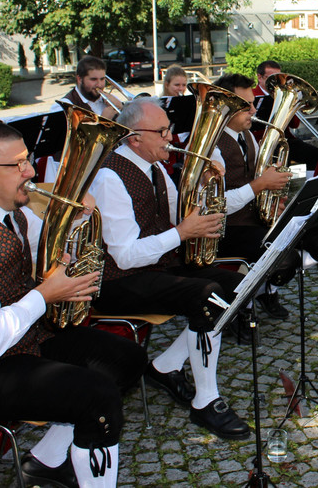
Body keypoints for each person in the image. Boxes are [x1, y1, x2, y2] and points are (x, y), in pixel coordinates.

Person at [0, 120, 146, 488]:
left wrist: (75, 222)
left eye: (27, 159)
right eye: (17, 164)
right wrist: (45, 295)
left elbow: (49, 256)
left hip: (19, 342)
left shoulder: (10, 210)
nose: (31, 171)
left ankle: (47, 461)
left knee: (126, 358)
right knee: (95, 396)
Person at [88, 98, 251, 440]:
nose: (170, 137)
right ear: (134, 137)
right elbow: (125, 256)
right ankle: (205, 401)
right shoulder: (109, 178)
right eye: (161, 131)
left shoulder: (156, 167)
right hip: (119, 281)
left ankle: (163, 365)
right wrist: (181, 233)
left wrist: (207, 188)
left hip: (156, 267)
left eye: (169, 129)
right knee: (206, 296)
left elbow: (180, 216)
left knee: (238, 285)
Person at [210, 73, 295, 318]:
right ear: (227, 108)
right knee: (284, 255)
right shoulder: (213, 145)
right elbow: (218, 204)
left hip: (251, 219)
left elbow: (257, 177)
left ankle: (264, 289)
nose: (254, 110)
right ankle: (241, 308)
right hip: (226, 228)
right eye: (246, 106)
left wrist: (273, 195)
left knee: (302, 238)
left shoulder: (247, 136)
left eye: (253, 103)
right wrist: (260, 185)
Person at [252, 60, 318, 171]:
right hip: (260, 142)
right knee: (281, 159)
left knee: (314, 153)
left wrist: (292, 102)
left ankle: (311, 184)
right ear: (260, 77)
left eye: (278, 78)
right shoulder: (252, 95)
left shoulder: (284, 93)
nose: (275, 82)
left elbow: (295, 125)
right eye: (270, 78)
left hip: (284, 139)